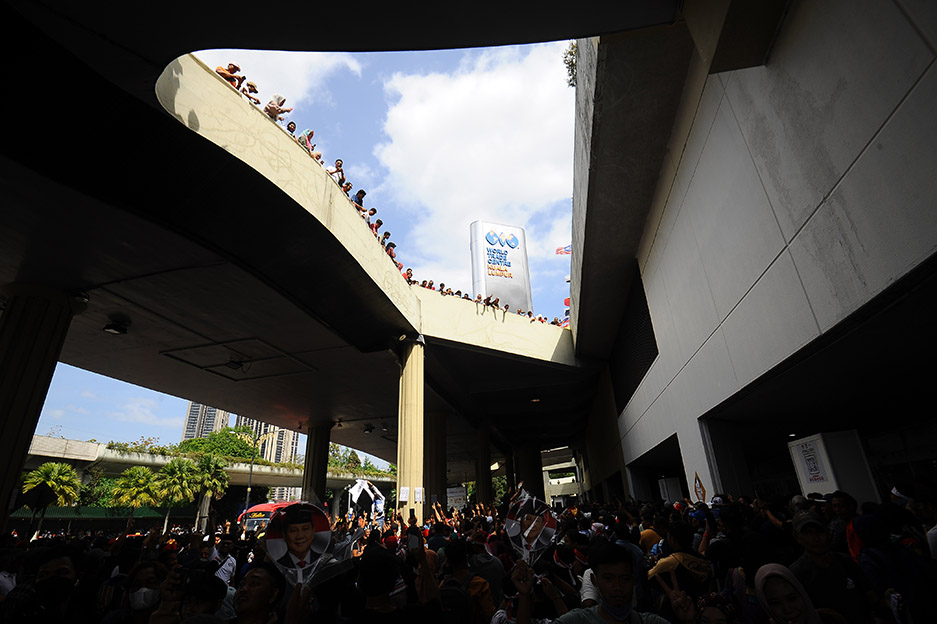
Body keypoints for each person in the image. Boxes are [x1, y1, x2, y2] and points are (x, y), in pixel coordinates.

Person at [556, 541, 691, 624]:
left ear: (633, 580)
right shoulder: (575, 621)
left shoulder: (651, 621)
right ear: (594, 580)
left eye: (625, 579)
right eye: (608, 578)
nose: (618, 587)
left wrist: (688, 621)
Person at [788, 510, 875, 623]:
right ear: (797, 537)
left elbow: (869, 594)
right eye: (808, 533)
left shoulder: (845, 561)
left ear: (828, 532)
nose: (815, 538)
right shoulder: (796, 574)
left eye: (819, 531)